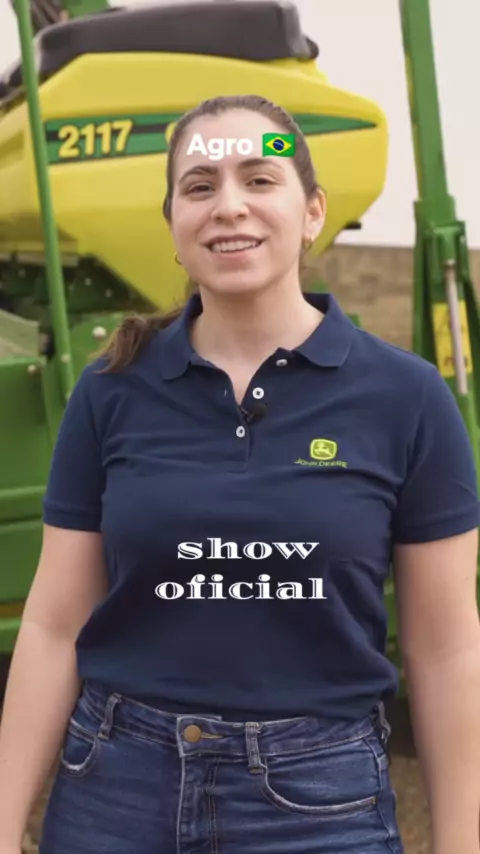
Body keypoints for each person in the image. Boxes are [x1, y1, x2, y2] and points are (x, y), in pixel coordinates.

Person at [0, 94, 479, 854]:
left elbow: (446, 650)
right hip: (116, 791)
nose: (229, 206)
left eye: (260, 179)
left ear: (312, 211)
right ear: (173, 223)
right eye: (200, 186)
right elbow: (54, 625)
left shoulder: (407, 398)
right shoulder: (111, 390)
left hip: (319, 803)